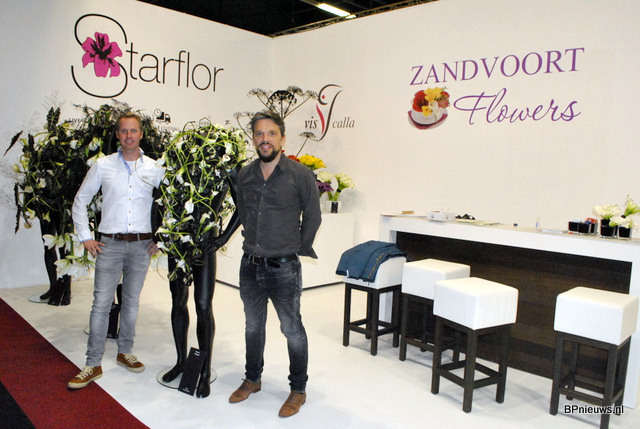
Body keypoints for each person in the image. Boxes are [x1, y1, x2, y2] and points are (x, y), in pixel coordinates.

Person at [228, 110, 322, 417]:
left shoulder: (300, 174)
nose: (264, 139)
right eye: (259, 134)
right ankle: (252, 379)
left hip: (284, 268)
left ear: (282, 139)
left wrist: (296, 247)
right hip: (250, 266)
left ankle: (298, 390)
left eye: (271, 133)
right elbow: (243, 213)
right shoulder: (245, 175)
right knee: (253, 326)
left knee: (291, 328)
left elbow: (313, 216)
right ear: (253, 138)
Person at [68, 112, 164, 389]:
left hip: (142, 245)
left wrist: (162, 238)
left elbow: (171, 203)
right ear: (118, 134)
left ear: (141, 134)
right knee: (101, 303)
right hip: (109, 244)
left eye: (134, 130)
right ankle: (92, 363)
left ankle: (125, 351)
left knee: (131, 302)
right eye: (124, 131)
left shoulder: (155, 168)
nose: (129, 135)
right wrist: (85, 237)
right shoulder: (103, 165)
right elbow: (80, 201)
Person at [162, 170, 241, 398]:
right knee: (178, 301)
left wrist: (223, 237)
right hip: (178, 240)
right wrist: (160, 234)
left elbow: (243, 205)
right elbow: (158, 199)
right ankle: (181, 361)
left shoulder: (225, 166)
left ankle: (205, 371)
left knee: (203, 306)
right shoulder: (177, 161)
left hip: (206, 243)